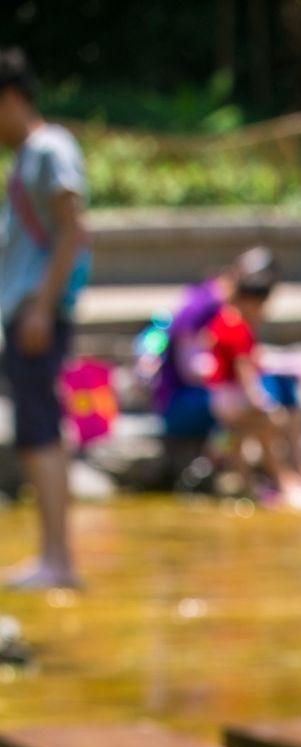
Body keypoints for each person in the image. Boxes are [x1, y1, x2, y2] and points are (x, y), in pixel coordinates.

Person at [0, 49, 90, 590]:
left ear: (11, 98)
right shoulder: (27, 155)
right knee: (34, 431)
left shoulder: (50, 148)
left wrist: (40, 306)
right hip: (26, 310)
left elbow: (71, 230)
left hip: (38, 313)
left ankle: (58, 561)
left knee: (40, 431)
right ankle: (52, 557)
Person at [151, 248, 301, 501]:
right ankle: (279, 478)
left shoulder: (231, 317)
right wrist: (249, 391)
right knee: (263, 415)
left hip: (222, 393)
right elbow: (198, 368)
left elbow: (247, 360)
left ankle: (291, 473)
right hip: (188, 399)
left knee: (279, 391)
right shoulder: (208, 310)